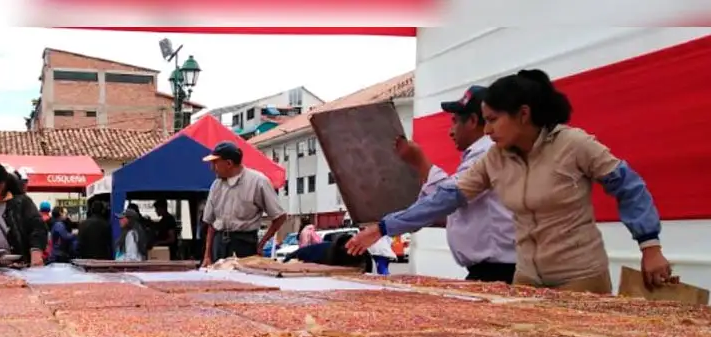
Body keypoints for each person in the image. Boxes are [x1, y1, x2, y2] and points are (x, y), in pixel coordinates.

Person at [347, 69, 672, 294]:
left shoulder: (574, 145)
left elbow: (628, 186)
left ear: (524, 114)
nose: (487, 131)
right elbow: (447, 198)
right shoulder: (496, 158)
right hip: (526, 276)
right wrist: (385, 227)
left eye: (492, 121)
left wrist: (650, 246)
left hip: (578, 276)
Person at [372, 86, 518, 284]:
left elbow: (448, 198)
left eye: (455, 122)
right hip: (490, 271)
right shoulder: (483, 155)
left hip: (499, 271)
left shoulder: (487, 154)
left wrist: (384, 227)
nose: (450, 131)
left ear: (474, 121)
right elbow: (450, 201)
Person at [201, 141, 287, 266]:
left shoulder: (258, 181)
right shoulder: (216, 185)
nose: (212, 168)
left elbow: (279, 216)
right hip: (219, 243)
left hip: (244, 243)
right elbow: (210, 224)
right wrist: (207, 255)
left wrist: (262, 243)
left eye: (215, 163)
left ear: (229, 163)